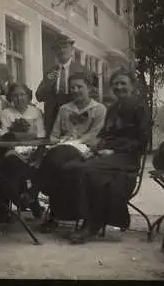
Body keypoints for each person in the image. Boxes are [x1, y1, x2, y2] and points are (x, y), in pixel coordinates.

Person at [44, 68, 151, 244]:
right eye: (115, 84)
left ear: (132, 85)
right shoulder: (114, 108)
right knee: (69, 166)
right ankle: (68, 215)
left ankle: (91, 223)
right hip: (106, 156)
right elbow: (104, 135)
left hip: (127, 157)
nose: (119, 87)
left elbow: (141, 140)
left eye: (123, 83)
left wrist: (114, 150)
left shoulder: (140, 108)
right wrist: (95, 148)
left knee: (85, 170)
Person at [35, 70, 107, 232]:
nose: (75, 90)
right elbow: (54, 135)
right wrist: (57, 142)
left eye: (79, 87)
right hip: (61, 149)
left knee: (57, 160)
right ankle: (54, 215)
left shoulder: (99, 110)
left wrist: (75, 141)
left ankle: (35, 193)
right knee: (58, 163)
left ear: (89, 88)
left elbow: (95, 135)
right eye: (72, 87)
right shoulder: (64, 109)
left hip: (86, 150)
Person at [0, 83, 47, 223]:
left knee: (14, 170)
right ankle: (29, 198)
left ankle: (21, 199)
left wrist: (18, 135)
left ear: (29, 96)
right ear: (11, 97)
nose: (19, 98)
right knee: (11, 162)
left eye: (22, 94)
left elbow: (41, 135)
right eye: (15, 95)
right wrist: (27, 135)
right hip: (12, 151)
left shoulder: (36, 112)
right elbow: (5, 137)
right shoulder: (6, 113)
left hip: (33, 151)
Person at [35, 37, 85, 137]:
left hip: (74, 116)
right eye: (58, 48)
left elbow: (92, 95)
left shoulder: (81, 70)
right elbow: (39, 97)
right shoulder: (50, 72)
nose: (61, 50)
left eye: (65, 47)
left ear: (72, 50)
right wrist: (47, 84)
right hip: (52, 119)